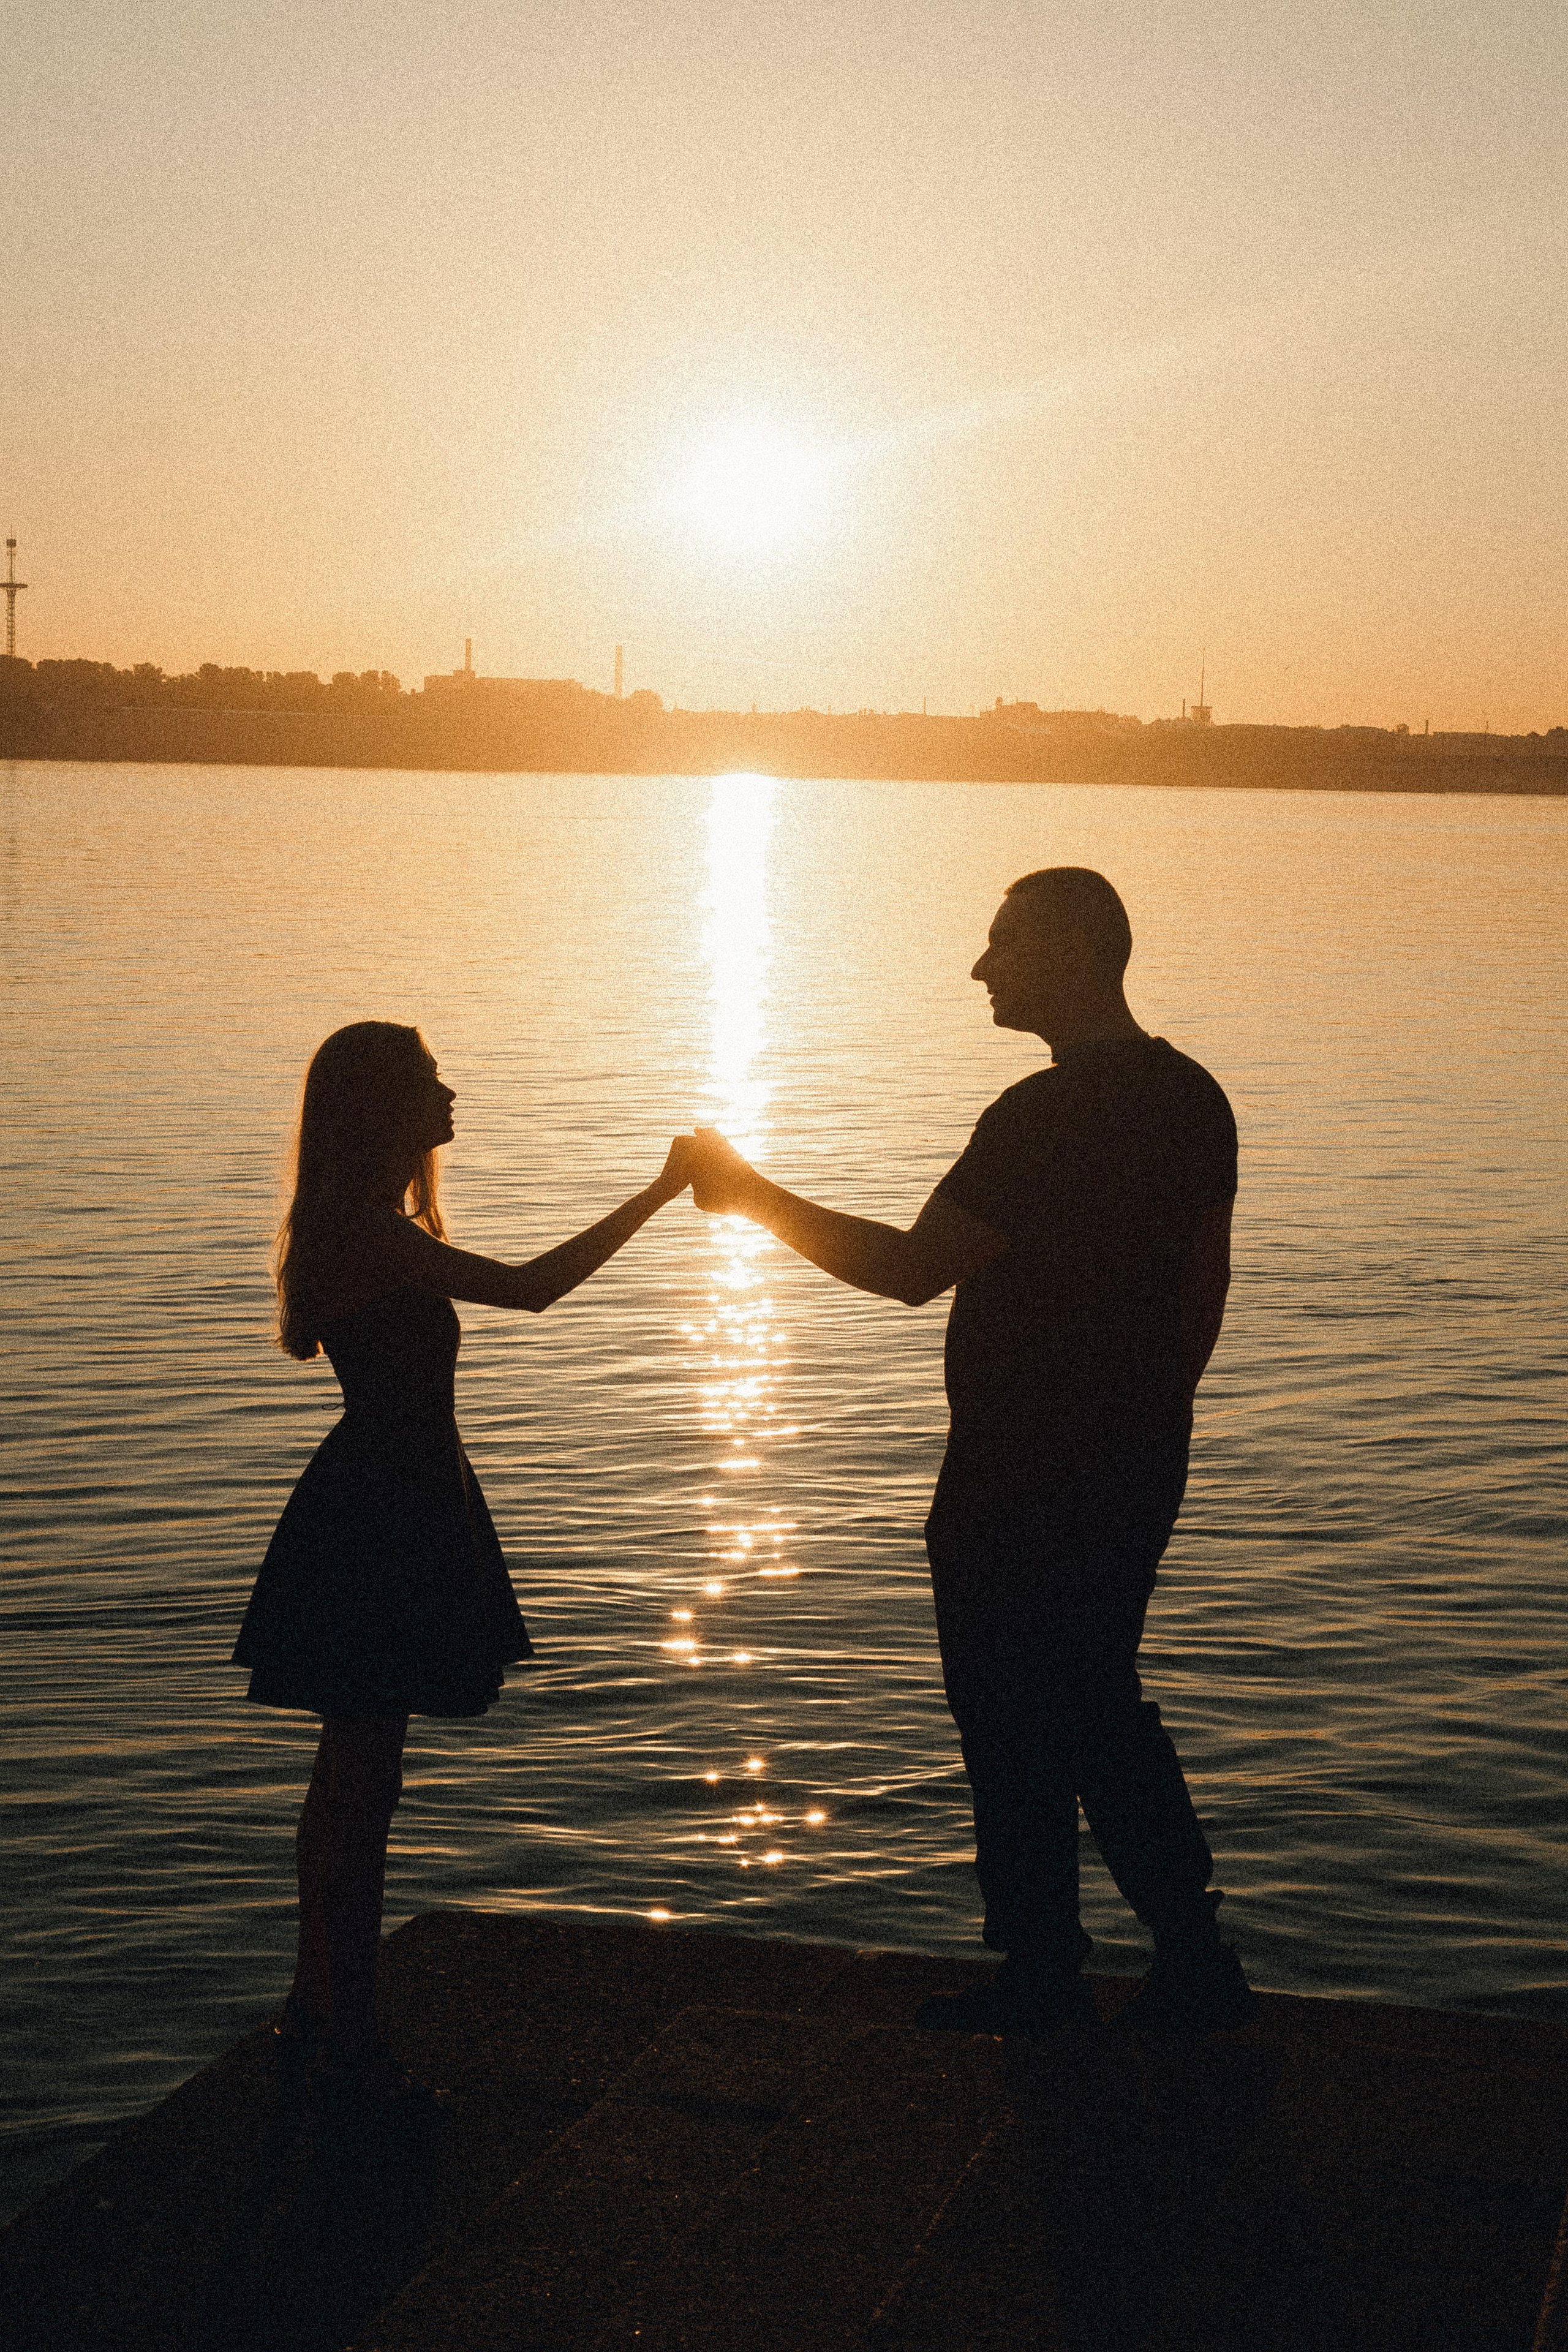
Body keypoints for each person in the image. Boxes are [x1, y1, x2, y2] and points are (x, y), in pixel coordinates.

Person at [685, 867, 1256, 2037]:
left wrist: (748, 1195)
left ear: (1072, 951)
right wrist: (1156, 1419)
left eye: (1002, 943)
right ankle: (1187, 1950)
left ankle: (1048, 1969)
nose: (981, 966)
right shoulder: (1195, 1095)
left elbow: (907, 1270)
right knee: (1099, 1697)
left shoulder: (1038, 1119)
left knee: (1009, 1709)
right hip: (1138, 1459)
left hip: (1016, 1469)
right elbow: (1207, 1284)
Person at [233, 1020, 692, 2105]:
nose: (452, 1091)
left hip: (389, 1499)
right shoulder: (373, 1237)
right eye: (433, 1080)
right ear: (385, 1107)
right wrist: (664, 1189)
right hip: (385, 1513)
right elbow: (535, 1287)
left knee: (353, 1777)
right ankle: (349, 2034)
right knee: (362, 1784)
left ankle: (320, 2001)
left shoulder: (361, 1225)